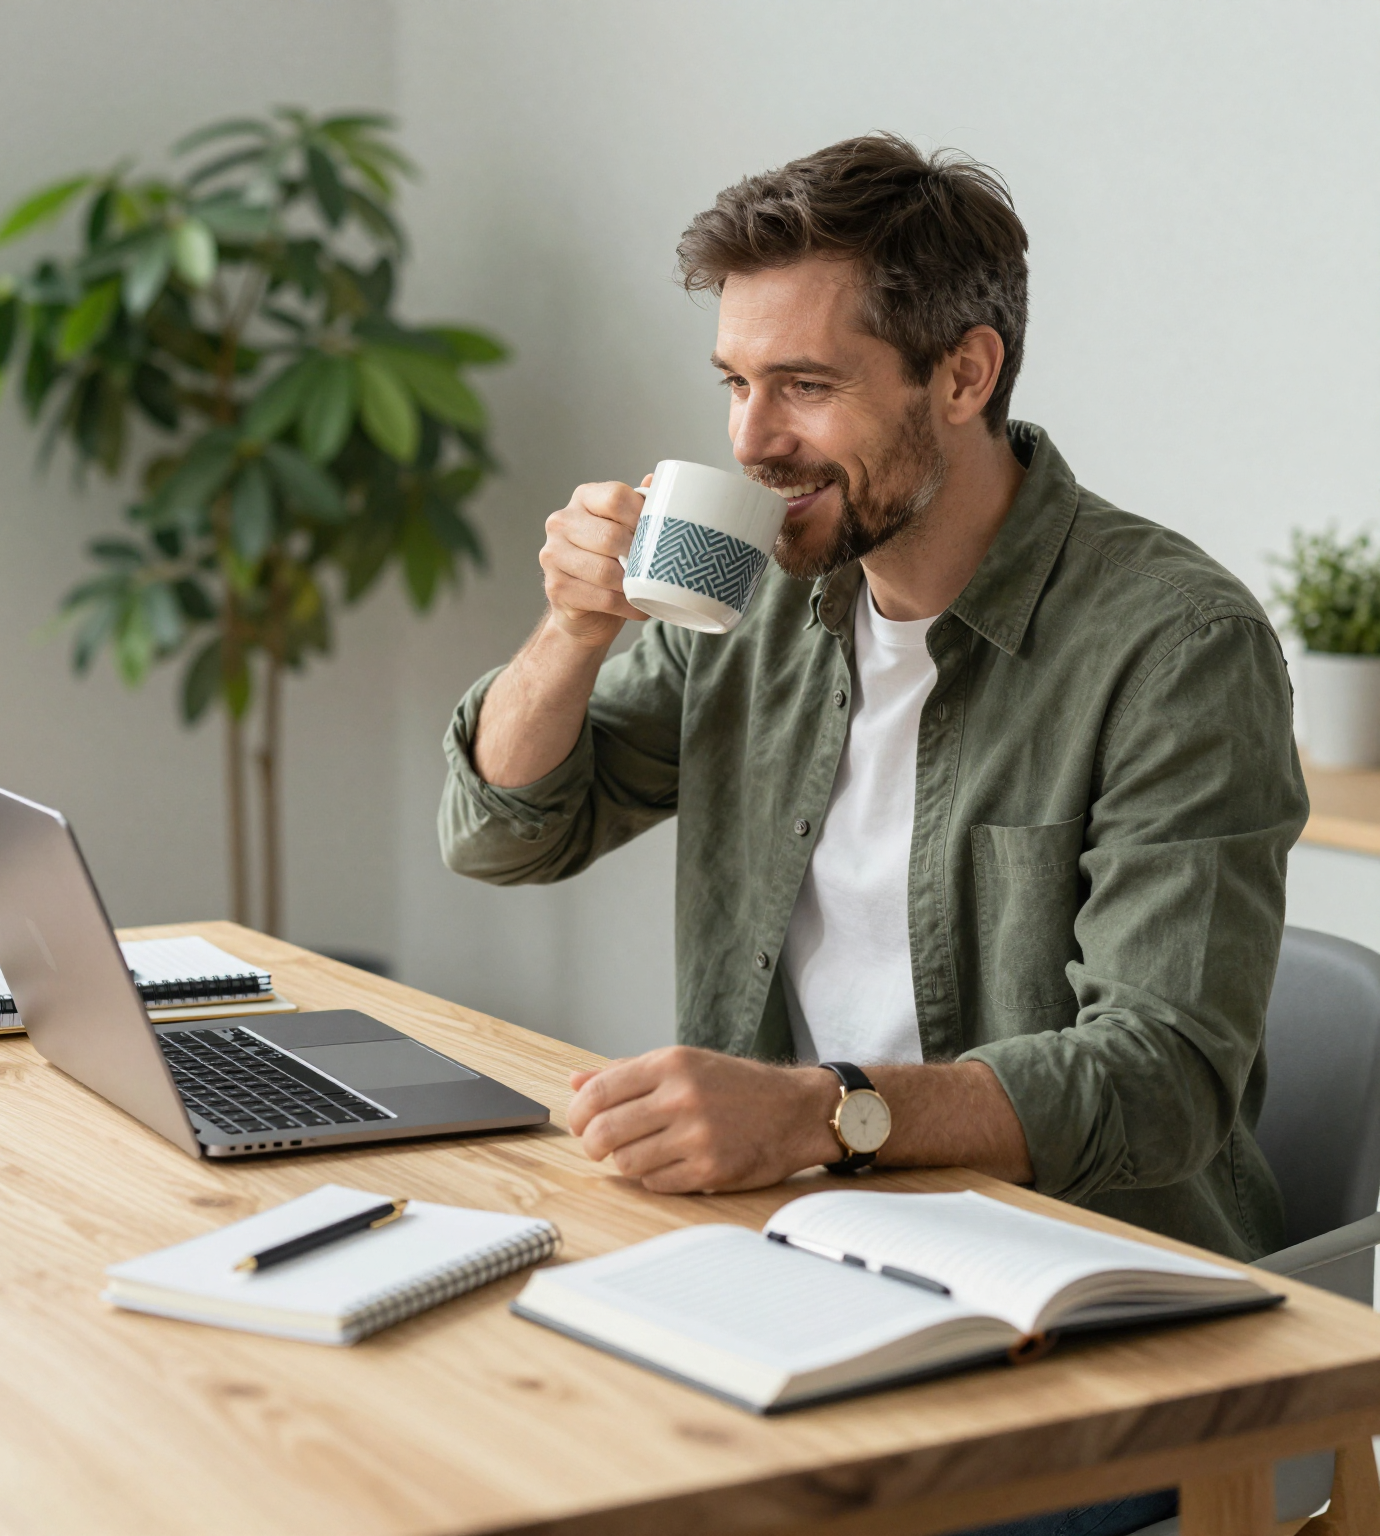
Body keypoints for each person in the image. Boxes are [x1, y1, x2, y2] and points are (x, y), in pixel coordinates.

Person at [437, 135, 1308, 1536]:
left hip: (1092, 1327)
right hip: (797, 1255)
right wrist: (573, 630)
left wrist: (821, 1111)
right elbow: (504, 831)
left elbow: (1162, 1077)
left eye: (806, 386)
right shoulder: (764, 592)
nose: (749, 439)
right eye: (734, 382)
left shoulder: (1174, 645)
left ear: (963, 375)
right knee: (468, 1438)